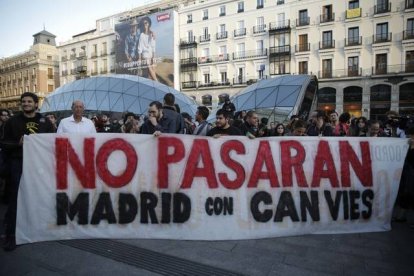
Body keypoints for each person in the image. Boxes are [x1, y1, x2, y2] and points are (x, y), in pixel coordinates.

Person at [2, 92, 55, 251]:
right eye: (23, 102)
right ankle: (12, 235)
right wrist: (17, 144)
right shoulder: (12, 122)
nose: (26, 104)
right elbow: (3, 143)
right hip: (18, 163)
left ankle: (38, 229)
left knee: (40, 196)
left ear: (35, 104)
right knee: (16, 199)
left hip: (39, 165)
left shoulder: (45, 122)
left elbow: (52, 143)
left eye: (29, 101)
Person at [137, 16, 157, 81]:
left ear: (148, 24)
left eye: (146, 23)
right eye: (143, 23)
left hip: (150, 54)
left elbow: (153, 46)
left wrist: (153, 57)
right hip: (144, 55)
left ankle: (154, 82)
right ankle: (157, 81)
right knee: (148, 64)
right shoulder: (141, 35)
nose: (144, 24)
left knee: (153, 68)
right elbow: (140, 47)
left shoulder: (152, 34)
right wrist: (139, 58)